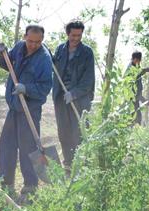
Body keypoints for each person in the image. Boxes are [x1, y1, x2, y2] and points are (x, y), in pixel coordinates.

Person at [0, 25, 52, 200]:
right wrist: (2, 53)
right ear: (25, 36)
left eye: (38, 42)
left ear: (42, 40)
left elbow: (45, 87)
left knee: (28, 149)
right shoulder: (20, 47)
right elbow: (7, 65)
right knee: (7, 145)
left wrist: (26, 88)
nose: (33, 45)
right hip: (14, 106)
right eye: (30, 41)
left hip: (30, 109)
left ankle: (30, 186)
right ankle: (6, 183)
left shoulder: (44, 59)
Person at [52, 20, 95, 175]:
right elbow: (54, 70)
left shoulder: (87, 53)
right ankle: (68, 165)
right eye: (73, 35)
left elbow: (88, 80)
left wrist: (74, 93)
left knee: (79, 133)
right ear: (67, 34)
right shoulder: (60, 50)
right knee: (64, 132)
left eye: (79, 35)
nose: (76, 38)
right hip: (61, 99)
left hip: (80, 99)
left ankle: (81, 166)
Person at [124, 51, 149, 125]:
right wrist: (143, 99)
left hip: (134, 100)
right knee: (135, 118)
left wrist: (143, 99)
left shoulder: (135, 67)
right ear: (135, 59)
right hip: (131, 100)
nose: (139, 62)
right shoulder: (130, 70)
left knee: (137, 118)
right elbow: (133, 90)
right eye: (139, 60)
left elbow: (140, 72)